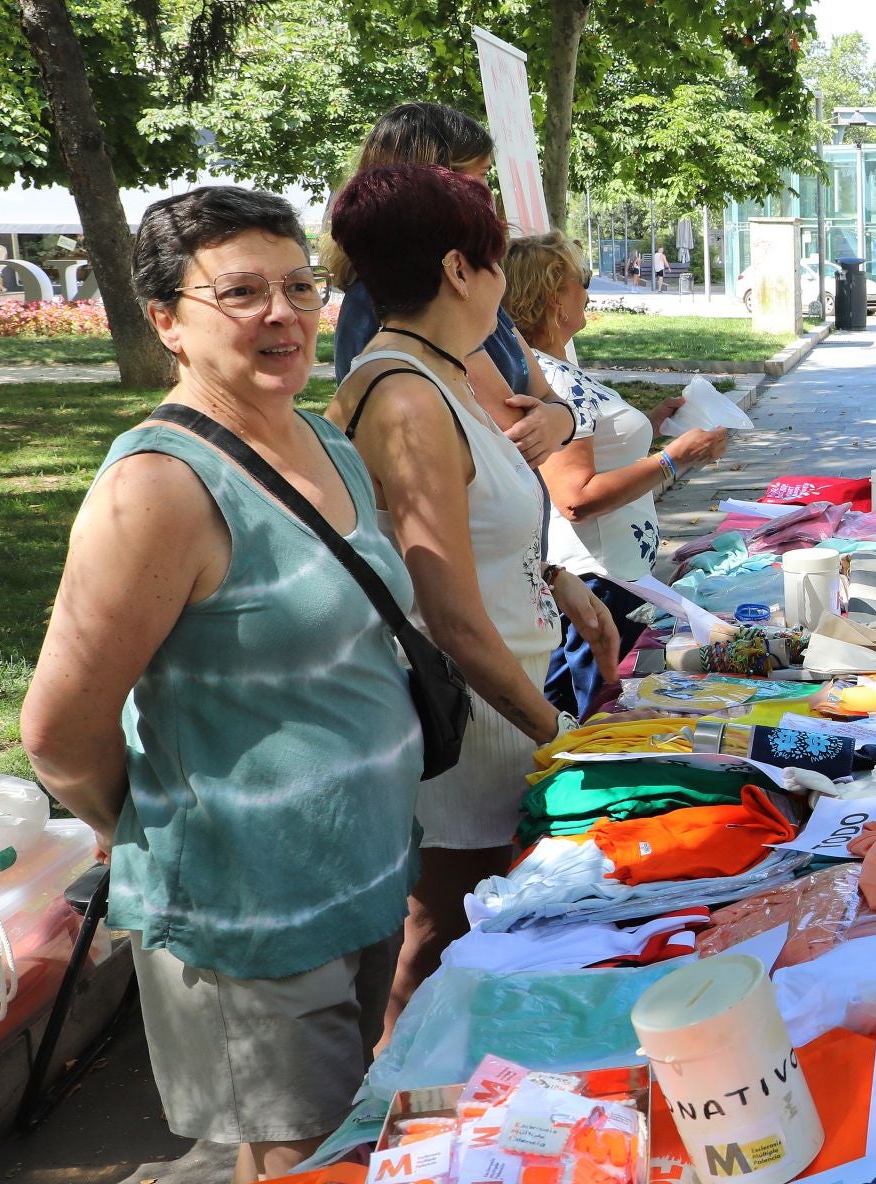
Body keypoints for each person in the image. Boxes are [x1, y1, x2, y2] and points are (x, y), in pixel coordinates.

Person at [21, 186, 424, 1184]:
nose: (282, 314)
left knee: (305, 1165)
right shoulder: (158, 488)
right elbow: (57, 728)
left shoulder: (322, 441)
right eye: (241, 292)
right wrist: (146, 824)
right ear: (166, 319)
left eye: (300, 286)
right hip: (250, 906)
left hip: (359, 871)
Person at [324, 165, 619, 1037]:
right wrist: (558, 737)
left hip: (501, 699)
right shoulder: (407, 396)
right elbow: (449, 614)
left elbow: (484, 517)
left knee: (476, 949)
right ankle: (398, 1113)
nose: (502, 281)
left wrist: (555, 579)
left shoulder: (445, 370)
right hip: (470, 721)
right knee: (443, 952)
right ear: (459, 269)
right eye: (495, 260)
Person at [502, 231, 730, 716]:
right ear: (553, 297)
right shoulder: (552, 379)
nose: (587, 292)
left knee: (593, 710)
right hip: (596, 580)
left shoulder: (554, 368)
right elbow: (575, 496)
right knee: (595, 717)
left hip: (612, 576)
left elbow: (592, 452)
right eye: (580, 280)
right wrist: (673, 459)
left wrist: (652, 425)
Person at [325, 102, 590, 468]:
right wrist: (559, 419)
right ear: (437, 183)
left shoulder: (467, 292)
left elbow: (547, 398)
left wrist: (561, 419)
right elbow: (511, 425)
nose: (488, 194)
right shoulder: (409, 303)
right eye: (481, 175)